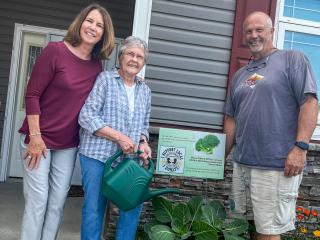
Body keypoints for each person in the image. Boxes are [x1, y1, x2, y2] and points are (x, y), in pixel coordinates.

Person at [18, 4, 115, 240]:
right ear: (80, 22)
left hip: (68, 144)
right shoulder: (55, 51)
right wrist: (36, 137)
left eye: (99, 25)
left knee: (57, 202)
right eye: (89, 21)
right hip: (38, 138)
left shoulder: (96, 66)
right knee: (38, 201)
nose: (93, 27)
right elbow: (32, 95)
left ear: (104, 34)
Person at [224, 11, 318, 240]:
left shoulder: (292, 59)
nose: (253, 35)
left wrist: (300, 148)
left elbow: (310, 102)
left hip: (275, 164)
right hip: (243, 162)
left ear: (272, 31)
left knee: (269, 231)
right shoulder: (240, 75)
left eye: (259, 30)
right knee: (253, 226)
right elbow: (231, 119)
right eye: (248, 31)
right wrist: (218, 158)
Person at [78, 36, 151, 240]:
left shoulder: (145, 90)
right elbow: (86, 116)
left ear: (144, 62)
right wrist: (119, 137)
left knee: (131, 208)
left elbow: (144, 124)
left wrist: (144, 142)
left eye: (140, 57)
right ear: (121, 56)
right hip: (98, 157)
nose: (134, 59)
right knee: (94, 209)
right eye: (130, 54)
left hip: (129, 161)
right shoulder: (105, 80)